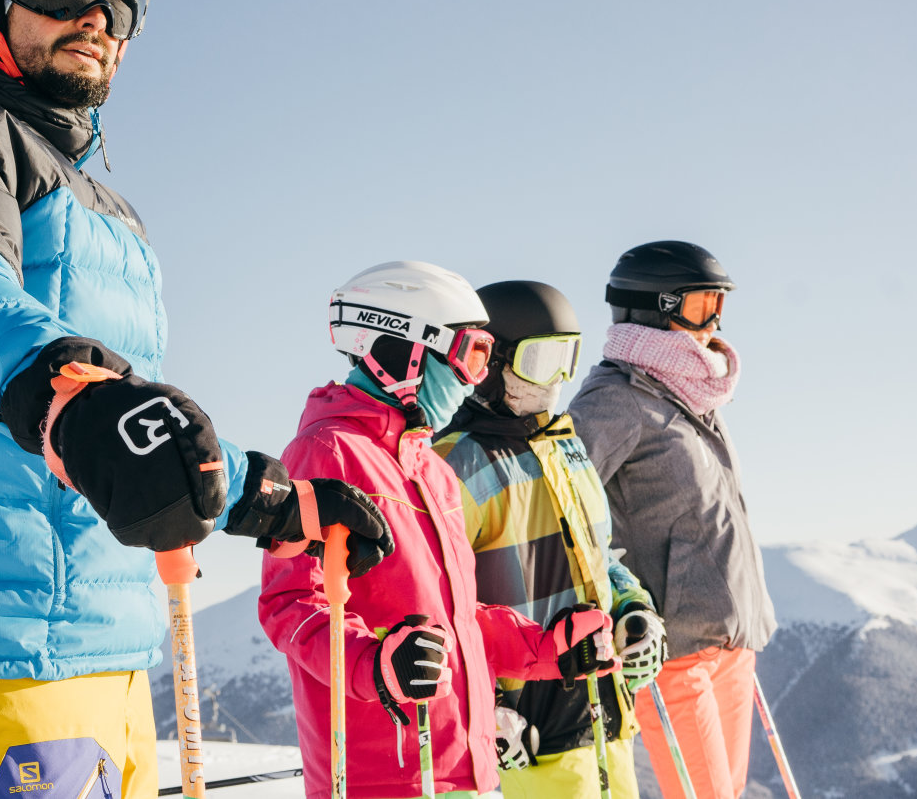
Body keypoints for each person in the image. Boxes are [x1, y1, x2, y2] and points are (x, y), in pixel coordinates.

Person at [0, 0, 391, 799]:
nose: (92, 17)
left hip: (113, 630)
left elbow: (134, 413)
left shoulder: (99, 201)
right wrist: (68, 395)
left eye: (118, 1)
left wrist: (266, 498)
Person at [259, 262, 618, 799]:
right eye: (471, 354)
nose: (476, 378)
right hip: (384, 776)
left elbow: (458, 620)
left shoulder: (434, 472)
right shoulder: (328, 452)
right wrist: (376, 666)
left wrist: (547, 649)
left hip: (462, 767)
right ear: (405, 351)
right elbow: (291, 604)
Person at [434, 281, 663, 799]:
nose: (557, 379)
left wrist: (632, 606)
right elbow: (440, 608)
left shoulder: (564, 445)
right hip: (529, 725)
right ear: (490, 365)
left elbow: (599, 558)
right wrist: (478, 710)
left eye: (568, 358)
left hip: (605, 707)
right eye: (542, 360)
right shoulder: (455, 463)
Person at [568, 241, 776, 799]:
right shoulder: (616, 399)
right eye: (703, 304)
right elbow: (561, 504)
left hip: (733, 639)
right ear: (658, 307)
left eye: (720, 305)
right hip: (674, 653)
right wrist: (615, 596)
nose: (715, 321)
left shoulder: (693, 395)